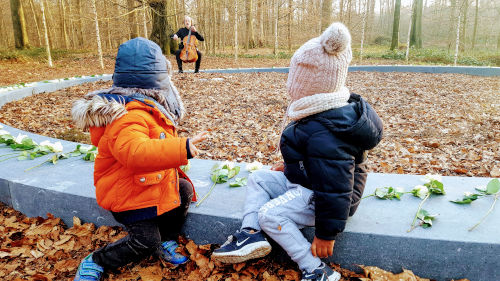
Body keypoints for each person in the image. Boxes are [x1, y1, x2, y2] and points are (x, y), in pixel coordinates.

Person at [212, 22, 383, 281]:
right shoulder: (320, 110)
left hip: (328, 201)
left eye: (295, 76)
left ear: (307, 82)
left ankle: (315, 269)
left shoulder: (325, 129)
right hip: (313, 184)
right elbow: (315, 161)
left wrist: (326, 233)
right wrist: (293, 167)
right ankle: (250, 234)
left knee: (269, 214)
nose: (290, 83)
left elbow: (335, 187)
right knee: (258, 178)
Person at [71, 37, 208, 281]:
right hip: (128, 195)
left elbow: (154, 144)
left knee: (183, 190)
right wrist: (181, 148)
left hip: (147, 185)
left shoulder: (149, 108)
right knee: (144, 241)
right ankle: (98, 260)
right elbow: (136, 153)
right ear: (158, 82)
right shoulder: (128, 116)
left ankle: (164, 240)